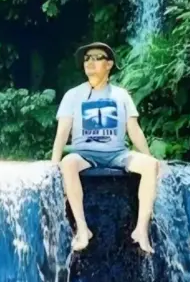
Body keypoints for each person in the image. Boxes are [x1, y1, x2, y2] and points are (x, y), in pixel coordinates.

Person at [51, 42, 161, 254]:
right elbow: (62, 132)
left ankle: (141, 229)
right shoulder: (73, 95)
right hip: (84, 153)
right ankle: (83, 230)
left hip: (118, 154)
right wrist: (54, 163)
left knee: (150, 166)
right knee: (68, 163)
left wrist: (150, 159)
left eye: (96, 58)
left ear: (109, 64)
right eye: (87, 59)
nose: (90, 62)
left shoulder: (121, 95)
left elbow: (134, 129)